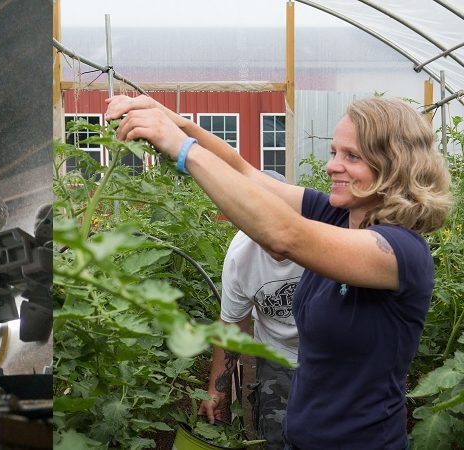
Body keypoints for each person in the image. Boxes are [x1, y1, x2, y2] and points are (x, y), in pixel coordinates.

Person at [106, 95, 451, 449]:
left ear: (393, 165)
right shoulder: (337, 215)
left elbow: (285, 236)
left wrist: (184, 149)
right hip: (301, 438)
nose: (333, 165)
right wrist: (179, 123)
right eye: (334, 152)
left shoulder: (400, 252)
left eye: (352, 156)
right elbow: (244, 172)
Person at [200, 221, 304, 449]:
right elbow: (232, 326)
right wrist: (216, 391)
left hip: (333, 351)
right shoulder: (241, 257)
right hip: (277, 352)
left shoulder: (327, 236)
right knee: (276, 434)